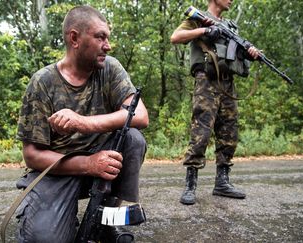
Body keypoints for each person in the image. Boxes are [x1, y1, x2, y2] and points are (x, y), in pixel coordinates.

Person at [15, 5, 149, 242]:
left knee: (132, 139)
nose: (107, 45)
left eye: (107, 37)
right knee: (44, 239)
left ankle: (105, 220)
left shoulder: (109, 68)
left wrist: (84, 123)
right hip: (58, 172)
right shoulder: (42, 83)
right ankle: (61, 217)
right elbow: (32, 155)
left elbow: (139, 115)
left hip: (102, 165)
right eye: (100, 37)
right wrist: (88, 163)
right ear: (74, 38)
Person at [170, 0, 260, 205]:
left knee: (229, 131)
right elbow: (175, 37)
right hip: (206, 81)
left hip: (228, 82)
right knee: (201, 131)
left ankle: (222, 182)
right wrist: (204, 30)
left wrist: (250, 52)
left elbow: (234, 55)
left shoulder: (230, 26)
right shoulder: (198, 17)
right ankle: (190, 185)